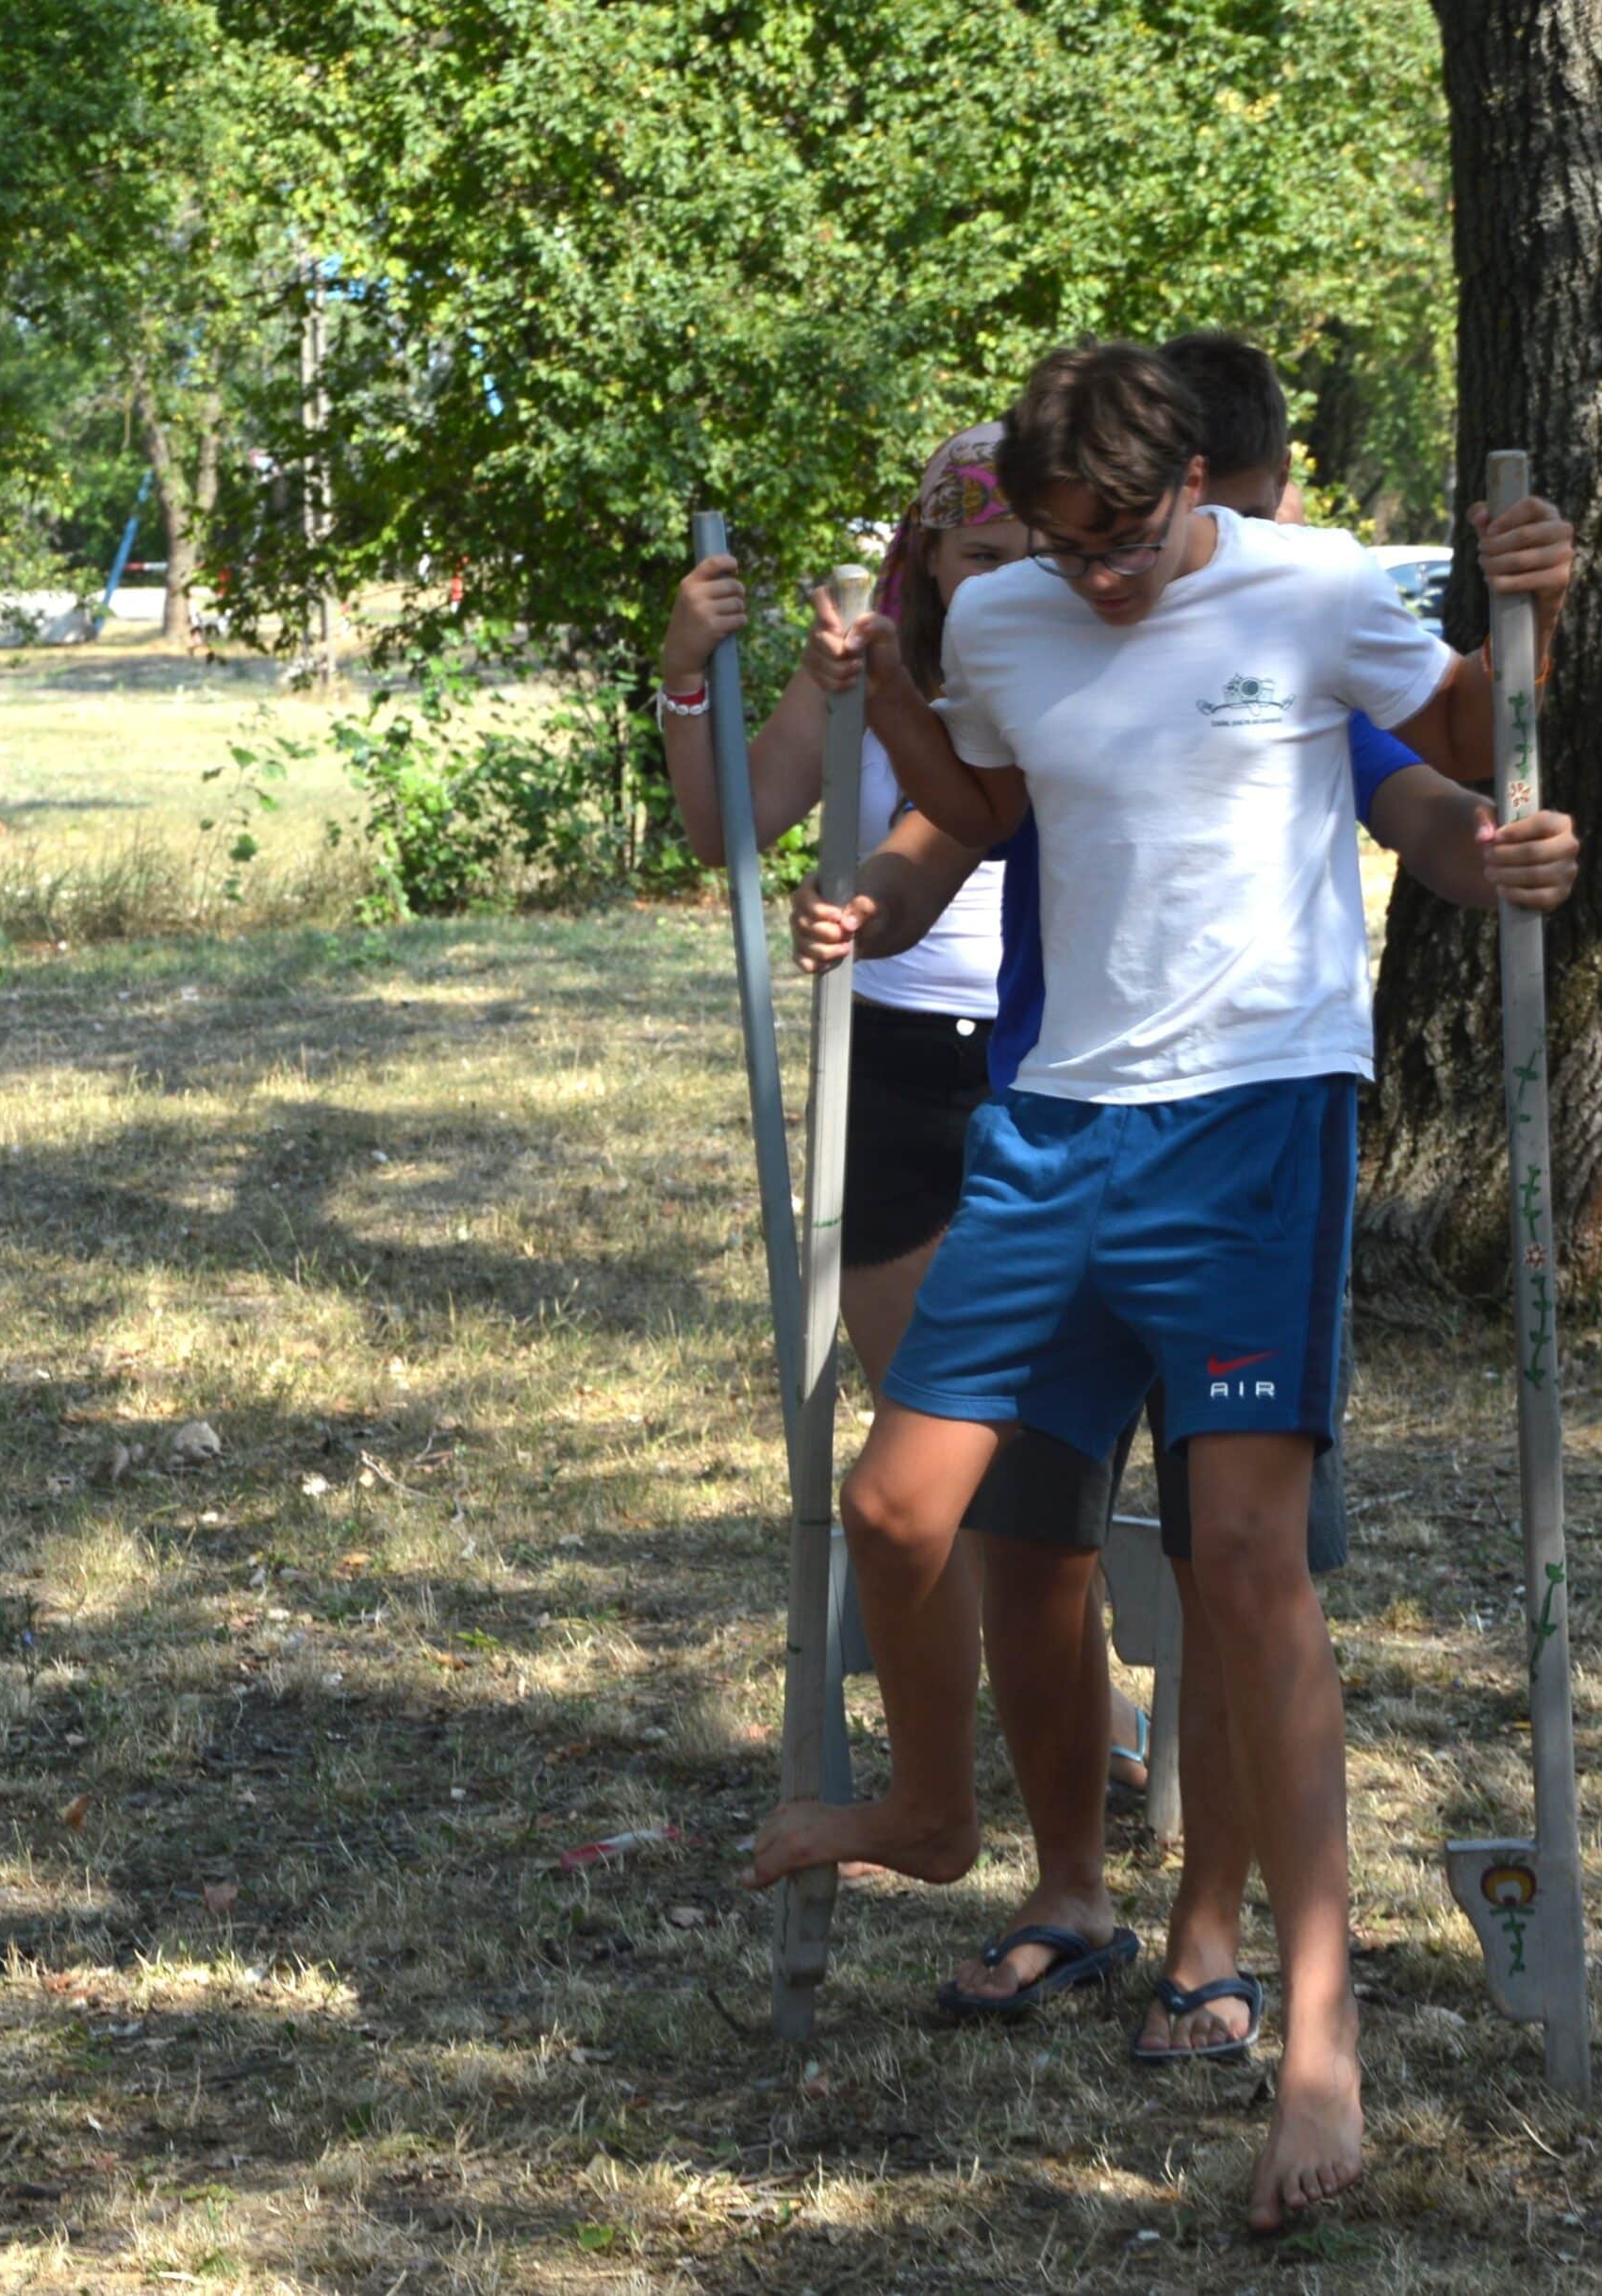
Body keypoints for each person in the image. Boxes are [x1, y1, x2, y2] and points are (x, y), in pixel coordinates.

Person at [748, 339, 1574, 2233]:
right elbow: (976, 804)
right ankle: (935, 1815)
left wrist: (1537, 616)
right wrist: (884, 773)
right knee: (897, 1507)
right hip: (1053, 1122)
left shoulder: (1312, 588)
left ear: (1195, 479)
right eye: (1065, 544)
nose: (1099, 576)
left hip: (1255, 1122)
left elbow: (1460, 734)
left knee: (1248, 1565)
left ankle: (1317, 2038)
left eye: (1124, 538)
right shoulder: (1010, 614)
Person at [652, 425, 1150, 1793]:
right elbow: (728, 827)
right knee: (925, 1448)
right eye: (983, 553)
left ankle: (1088, 1720)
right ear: (928, 555)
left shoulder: (1088, 656)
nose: (1013, 579)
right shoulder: (860, 658)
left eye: (1040, 552)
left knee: (1034, 1463)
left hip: (1049, 1057)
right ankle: (954, 1758)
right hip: (890, 1061)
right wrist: (687, 674)